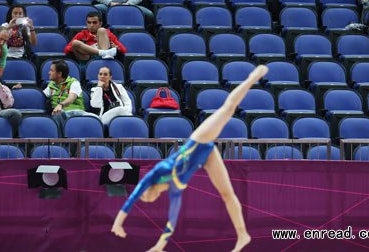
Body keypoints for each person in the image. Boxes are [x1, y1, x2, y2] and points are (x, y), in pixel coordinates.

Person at [111, 65, 269, 252]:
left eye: (146, 197)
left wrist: (118, 224)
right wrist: (159, 245)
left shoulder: (158, 173)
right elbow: (172, 218)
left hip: (197, 141)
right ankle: (243, 234)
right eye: (147, 199)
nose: (147, 199)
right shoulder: (174, 189)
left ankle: (251, 78)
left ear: (149, 190)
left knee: (228, 110)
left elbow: (133, 197)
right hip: (206, 155)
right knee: (227, 194)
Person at [43, 60, 98, 137]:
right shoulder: (50, 86)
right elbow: (40, 96)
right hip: (60, 114)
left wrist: (60, 105)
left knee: (96, 118)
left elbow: (71, 98)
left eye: (51, 70)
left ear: (59, 74)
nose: (49, 72)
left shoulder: (74, 83)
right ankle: (61, 141)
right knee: (58, 113)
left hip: (76, 112)